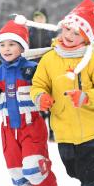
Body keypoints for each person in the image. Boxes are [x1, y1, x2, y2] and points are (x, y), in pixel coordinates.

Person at [30, 0, 94, 186]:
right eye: (68, 28)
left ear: (86, 38)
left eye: (77, 33)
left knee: (88, 172)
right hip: (63, 127)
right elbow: (38, 85)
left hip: (92, 127)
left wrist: (87, 97)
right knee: (72, 168)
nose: (69, 35)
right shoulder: (49, 58)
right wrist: (41, 97)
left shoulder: (93, 61)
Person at [0, 20, 62, 186]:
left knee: (33, 167)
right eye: (2, 45)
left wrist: (37, 80)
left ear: (22, 47)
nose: (6, 49)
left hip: (31, 125)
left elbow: (48, 88)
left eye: (12, 44)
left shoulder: (33, 68)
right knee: (17, 173)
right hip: (8, 131)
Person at [28, 8, 57, 142]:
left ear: (45, 18)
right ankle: (41, 132)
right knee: (37, 100)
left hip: (49, 69)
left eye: (41, 17)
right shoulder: (29, 32)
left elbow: (55, 48)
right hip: (33, 69)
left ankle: (52, 132)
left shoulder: (51, 32)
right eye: (36, 17)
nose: (38, 19)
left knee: (50, 99)